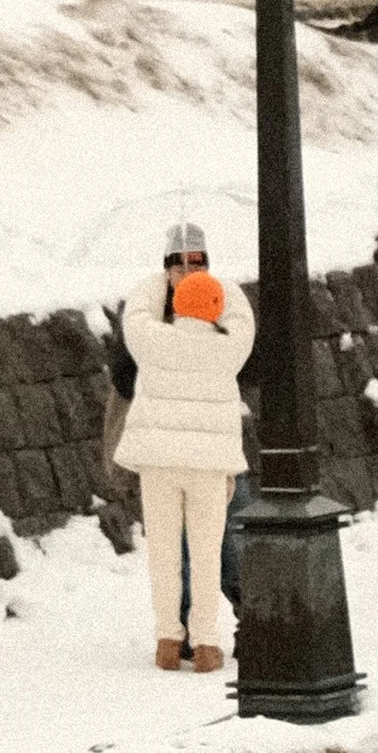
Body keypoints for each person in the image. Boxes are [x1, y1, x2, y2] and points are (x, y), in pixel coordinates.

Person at [115, 219, 255, 672]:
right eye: (181, 263)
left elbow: (133, 317)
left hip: (160, 462)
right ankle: (208, 643)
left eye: (199, 263)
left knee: (164, 553)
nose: (190, 269)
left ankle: (168, 641)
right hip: (211, 465)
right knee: (210, 551)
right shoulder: (227, 345)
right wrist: (215, 287)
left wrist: (162, 283)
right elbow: (242, 319)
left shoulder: (151, 338)